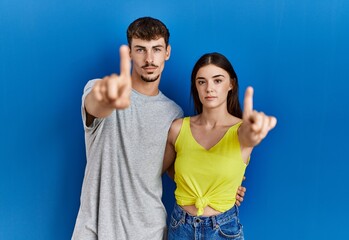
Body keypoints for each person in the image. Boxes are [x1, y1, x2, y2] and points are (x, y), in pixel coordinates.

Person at [72, 17, 246, 240]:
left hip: (150, 232)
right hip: (96, 230)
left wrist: (223, 186)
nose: (149, 58)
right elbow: (96, 105)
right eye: (140, 50)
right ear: (129, 53)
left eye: (156, 49)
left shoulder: (173, 114)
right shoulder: (99, 88)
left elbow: (178, 169)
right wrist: (107, 98)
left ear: (167, 52)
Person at [162, 52, 277, 239]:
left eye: (217, 80)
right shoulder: (177, 128)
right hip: (180, 227)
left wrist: (254, 133)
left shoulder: (241, 131)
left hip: (223, 229)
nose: (209, 88)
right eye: (201, 81)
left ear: (231, 84)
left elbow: (249, 138)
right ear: (195, 87)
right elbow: (162, 169)